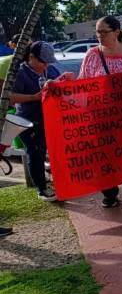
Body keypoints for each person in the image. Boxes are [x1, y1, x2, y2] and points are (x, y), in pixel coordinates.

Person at [79, 16, 122, 207]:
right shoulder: (92, 55)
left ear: (117, 32)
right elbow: (82, 84)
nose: (99, 36)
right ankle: (109, 194)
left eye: (104, 32)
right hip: (103, 120)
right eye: (97, 32)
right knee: (106, 158)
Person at [11, 42, 73, 201]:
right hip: (28, 121)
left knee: (53, 150)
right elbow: (9, 97)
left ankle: (58, 180)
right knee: (35, 152)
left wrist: (64, 81)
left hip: (49, 119)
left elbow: (58, 85)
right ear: (31, 57)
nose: (45, 65)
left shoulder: (50, 69)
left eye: (48, 62)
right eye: (42, 61)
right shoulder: (20, 73)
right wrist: (33, 97)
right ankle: (42, 187)